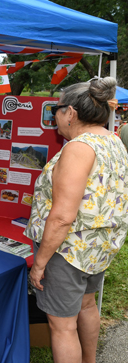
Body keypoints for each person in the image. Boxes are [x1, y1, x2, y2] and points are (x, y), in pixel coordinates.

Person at [24, 77, 128, 363]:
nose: (53, 116)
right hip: (98, 248)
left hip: (68, 251)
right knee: (86, 305)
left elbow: (61, 217)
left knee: (62, 326)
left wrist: (40, 263)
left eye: (55, 110)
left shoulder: (78, 149)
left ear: (71, 112)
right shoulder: (114, 140)